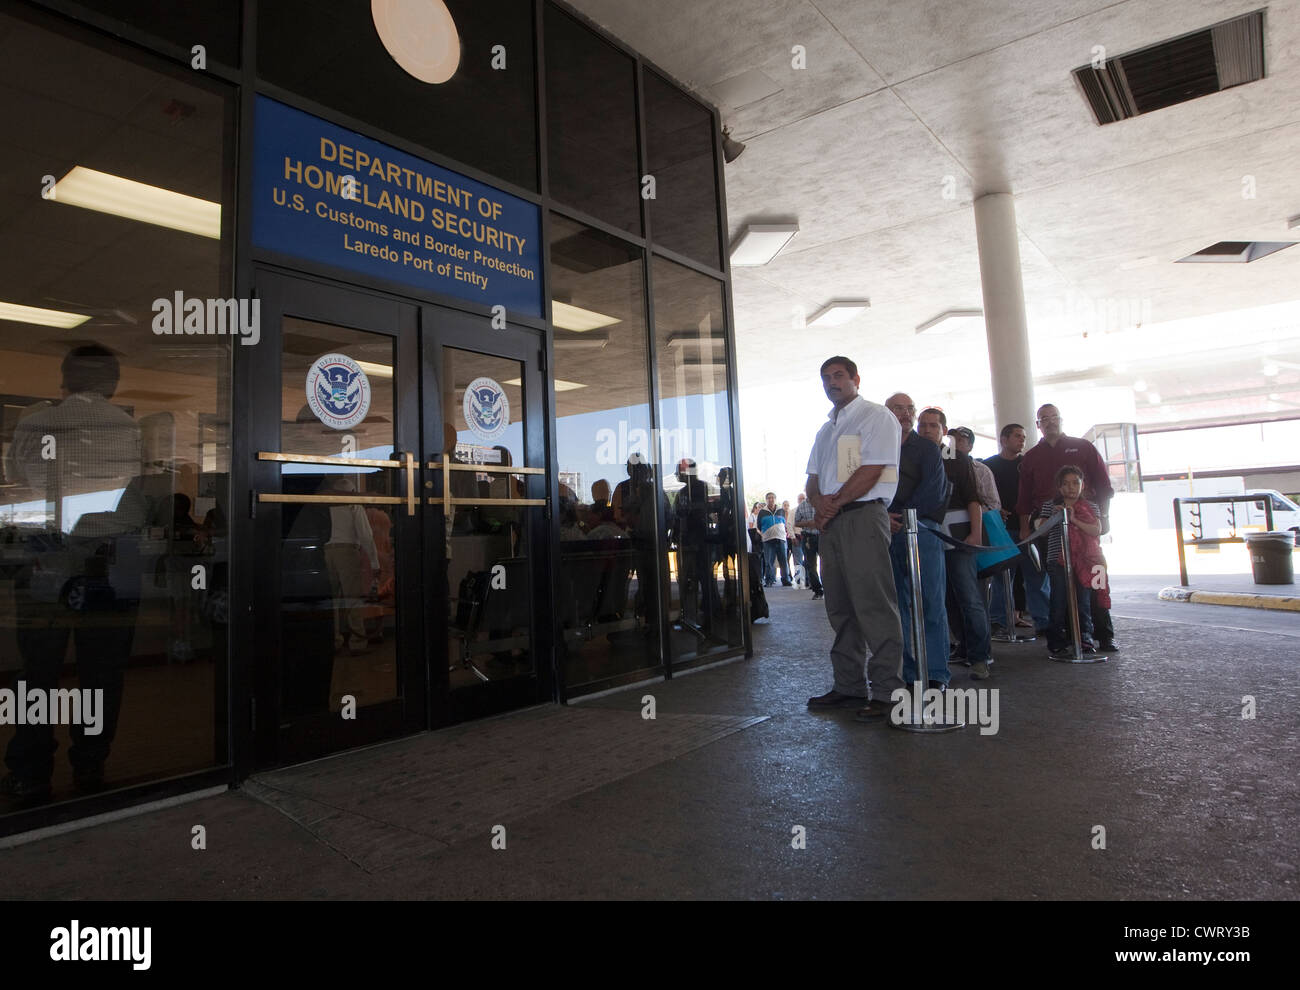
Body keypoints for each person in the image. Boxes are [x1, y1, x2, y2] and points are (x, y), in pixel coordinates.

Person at [2, 344, 145, 801]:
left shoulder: (37, 420)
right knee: (103, 672)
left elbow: (17, 476)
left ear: (64, 379)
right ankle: (89, 766)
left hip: (48, 555)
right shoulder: (129, 428)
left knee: (38, 670)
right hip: (113, 560)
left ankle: (29, 771)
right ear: (113, 384)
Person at [804, 357, 906, 721]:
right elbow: (812, 479)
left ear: (855, 379)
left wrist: (832, 505)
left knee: (874, 605)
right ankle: (848, 687)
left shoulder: (876, 417)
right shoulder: (825, 430)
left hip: (863, 516)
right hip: (832, 524)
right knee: (840, 607)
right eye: (826, 378)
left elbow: (873, 469)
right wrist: (819, 502)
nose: (832, 383)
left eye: (838, 376)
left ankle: (888, 692)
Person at [1016, 404, 1118, 651]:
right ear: (1038, 425)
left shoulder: (1083, 447)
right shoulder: (1031, 457)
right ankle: (1069, 638)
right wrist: (1025, 529)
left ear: (1061, 420)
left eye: (1054, 417)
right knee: (1060, 588)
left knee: (1096, 582)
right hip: (1050, 528)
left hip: (1088, 528)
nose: (1050, 422)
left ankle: (1104, 634)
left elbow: (1104, 487)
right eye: (1044, 419)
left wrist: (1102, 517)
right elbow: (1024, 499)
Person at [885, 393, 951, 690]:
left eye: (909, 408)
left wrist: (902, 516)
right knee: (898, 604)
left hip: (921, 529)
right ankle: (911, 673)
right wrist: (884, 517)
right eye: (898, 408)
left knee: (931, 602)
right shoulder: (877, 447)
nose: (905, 413)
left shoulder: (927, 448)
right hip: (885, 530)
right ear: (886, 413)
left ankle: (936, 672)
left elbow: (932, 491)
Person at [920, 410, 992, 681]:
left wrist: (975, 533)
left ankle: (980, 657)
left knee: (969, 597)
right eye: (923, 425)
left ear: (943, 430)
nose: (927, 430)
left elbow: (973, 499)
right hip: (927, 535)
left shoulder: (958, 459)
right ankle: (962, 647)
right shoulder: (910, 454)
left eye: (933, 426)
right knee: (944, 598)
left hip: (959, 536)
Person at [983, 423, 1049, 636]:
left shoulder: (1027, 464)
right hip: (1001, 529)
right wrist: (994, 509)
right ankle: (999, 620)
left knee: (1037, 576)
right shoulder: (989, 466)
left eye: (1023, 437)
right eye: (1017, 436)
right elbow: (981, 494)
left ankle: (1044, 621)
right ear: (1003, 439)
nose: (1022, 440)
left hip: (1030, 529)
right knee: (1002, 578)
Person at [1034, 465, 1102, 657]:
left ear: (1082, 485)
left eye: (1075, 483)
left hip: (1084, 562)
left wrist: (1073, 519)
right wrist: (1057, 517)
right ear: (1059, 487)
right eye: (1065, 484)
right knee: (1058, 601)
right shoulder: (1050, 506)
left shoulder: (1092, 506)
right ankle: (1056, 640)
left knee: (1083, 602)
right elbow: (1041, 529)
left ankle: (1084, 639)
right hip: (1058, 561)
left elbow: (1096, 530)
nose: (1071, 488)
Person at [791, 492, 823, 599]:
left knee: (827, 564)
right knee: (811, 565)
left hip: (822, 536)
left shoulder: (822, 502)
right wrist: (809, 523)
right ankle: (817, 590)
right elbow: (796, 523)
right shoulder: (802, 506)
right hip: (808, 537)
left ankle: (829, 588)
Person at [757, 492, 790, 587]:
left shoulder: (781, 510)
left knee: (783, 561)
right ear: (766, 500)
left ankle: (786, 580)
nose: (771, 499)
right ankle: (769, 580)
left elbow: (785, 523)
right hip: (768, 540)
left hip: (781, 538)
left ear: (775, 499)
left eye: (772, 498)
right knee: (768, 562)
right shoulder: (762, 512)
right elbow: (759, 525)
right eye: (769, 498)